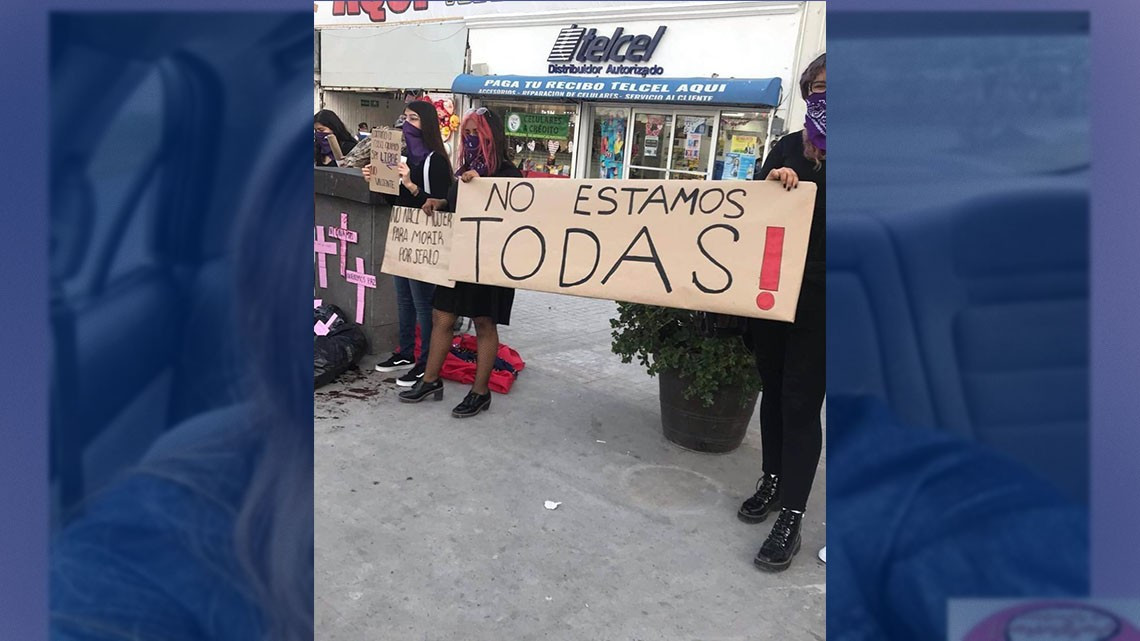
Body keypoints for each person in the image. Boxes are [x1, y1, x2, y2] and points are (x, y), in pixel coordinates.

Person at [736, 52, 826, 572]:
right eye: (817, 85)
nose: (825, 95)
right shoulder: (786, 147)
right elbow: (754, 212)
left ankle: (792, 514)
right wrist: (773, 186)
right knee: (772, 387)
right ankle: (771, 478)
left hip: (825, 298)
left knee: (800, 401)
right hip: (775, 294)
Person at [397, 107, 518, 418]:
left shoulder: (507, 172)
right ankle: (430, 380)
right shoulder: (462, 169)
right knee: (442, 316)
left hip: (490, 261)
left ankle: (480, 392)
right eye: (467, 133)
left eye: (477, 133)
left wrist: (484, 186)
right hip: (461, 255)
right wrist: (439, 202)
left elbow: (514, 217)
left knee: (483, 322)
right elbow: (454, 204)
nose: (471, 138)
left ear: (493, 136)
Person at [362, 101, 455, 386]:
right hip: (404, 235)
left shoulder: (435, 161)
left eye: (414, 119)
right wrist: (378, 182)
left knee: (423, 302)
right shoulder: (406, 159)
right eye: (405, 118)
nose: (407, 124)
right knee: (403, 297)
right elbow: (397, 202)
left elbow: (438, 206)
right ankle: (406, 352)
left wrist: (411, 184)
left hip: (425, 240)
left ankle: (427, 361)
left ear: (426, 124)